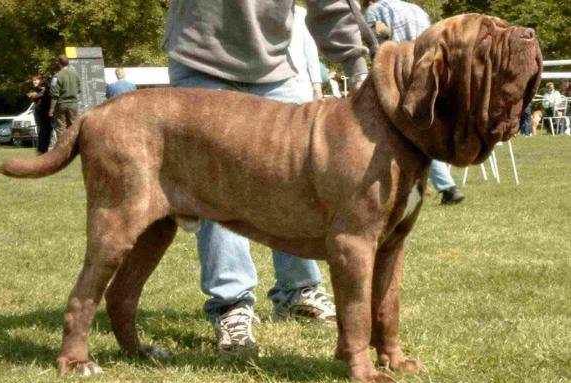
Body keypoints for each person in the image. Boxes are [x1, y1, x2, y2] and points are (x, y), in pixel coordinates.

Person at [163, 0, 368, 354]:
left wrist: (357, 65)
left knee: (296, 176)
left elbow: (330, 3)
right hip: (201, 60)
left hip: (275, 67)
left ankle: (298, 291)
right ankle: (231, 305)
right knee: (216, 185)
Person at [366, 0, 464, 205]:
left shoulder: (375, 10)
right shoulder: (416, 9)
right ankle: (428, 185)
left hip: (401, 76)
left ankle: (445, 187)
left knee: (410, 133)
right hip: (430, 73)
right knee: (427, 128)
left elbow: (377, 46)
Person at [49, 54, 81, 139]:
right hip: (73, 104)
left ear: (59, 63)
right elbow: (79, 89)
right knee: (74, 127)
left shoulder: (57, 76)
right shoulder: (75, 74)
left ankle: (62, 149)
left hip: (61, 105)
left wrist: (51, 109)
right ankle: (75, 147)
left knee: (61, 128)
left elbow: (54, 95)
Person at [27, 75, 53, 154]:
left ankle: (42, 150)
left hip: (45, 113)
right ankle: (41, 150)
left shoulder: (45, 88)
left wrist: (35, 95)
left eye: (36, 80)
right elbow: (33, 97)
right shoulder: (37, 89)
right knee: (42, 131)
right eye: (33, 80)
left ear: (41, 81)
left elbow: (43, 95)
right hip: (40, 113)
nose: (34, 82)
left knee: (45, 131)